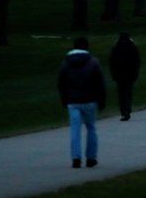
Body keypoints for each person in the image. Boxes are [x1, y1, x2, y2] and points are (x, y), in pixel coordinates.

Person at [57, 36, 106, 168]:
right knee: (91, 128)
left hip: (73, 101)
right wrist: (101, 99)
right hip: (90, 100)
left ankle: (76, 158)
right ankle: (91, 157)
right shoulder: (93, 62)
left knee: (75, 129)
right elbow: (100, 83)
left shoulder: (66, 63)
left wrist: (64, 98)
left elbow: (61, 83)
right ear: (87, 47)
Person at [108, 32, 140, 121]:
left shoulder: (116, 47)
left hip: (119, 74)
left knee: (121, 93)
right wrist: (135, 74)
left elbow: (112, 62)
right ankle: (127, 110)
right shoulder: (133, 47)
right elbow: (136, 62)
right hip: (129, 74)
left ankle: (123, 111)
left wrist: (113, 74)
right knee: (128, 92)